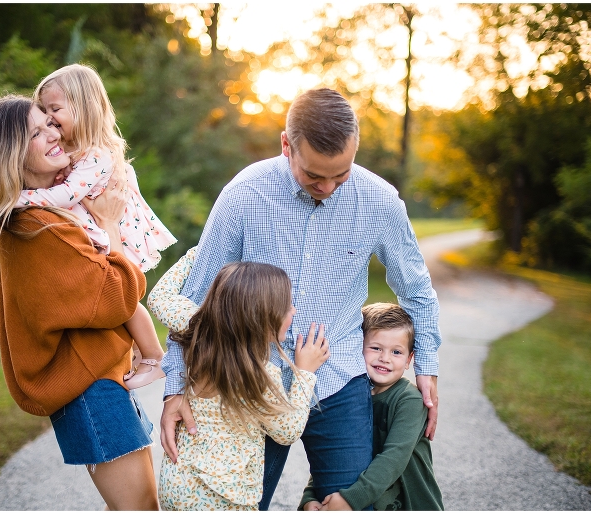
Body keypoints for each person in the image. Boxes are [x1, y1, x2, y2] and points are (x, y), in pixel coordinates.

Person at [160, 88, 442, 509]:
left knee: (349, 504)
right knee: (240, 505)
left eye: (341, 175)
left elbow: (416, 289)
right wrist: (174, 389)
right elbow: (197, 300)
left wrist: (428, 369)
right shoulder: (244, 196)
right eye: (314, 176)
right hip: (249, 383)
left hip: (338, 376)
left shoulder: (380, 202)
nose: (328, 187)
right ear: (286, 146)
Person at [0, 95, 158, 510]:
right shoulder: (36, 225)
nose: (54, 134)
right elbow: (117, 297)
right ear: (11, 154)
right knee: (139, 508)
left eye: (50, 124)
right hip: (91, 389)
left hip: (100, 380)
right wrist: (111, 223)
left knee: (143, 505)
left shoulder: (50, 212)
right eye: (36, 133)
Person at [15, 63, 176, 388]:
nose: (50, 118)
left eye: (55, 109)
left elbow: (67, 195)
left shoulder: (97, 156)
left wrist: (22, 197)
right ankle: (130, 353)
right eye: (45, 111)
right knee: (114, 303)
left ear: (84, 108)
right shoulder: (78, 154)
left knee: (126, 302)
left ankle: (155, 355)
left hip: (113, 238)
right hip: (99, 234)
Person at [149, 248, 330, 510]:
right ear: (263, 316)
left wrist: (199, 253)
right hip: (224, 497)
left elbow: (160, 298)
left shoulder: (198, 329)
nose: (295, 310)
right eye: (288, 305)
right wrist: (305, 372)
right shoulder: (258, 374)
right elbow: (287, 431)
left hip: (178, 484)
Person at [300, 303, 444, 511]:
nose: (385, 358)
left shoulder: (409, 400)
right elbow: (332, 456)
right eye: (376, 348)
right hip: (375, 500)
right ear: (357, 348)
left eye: (396, 352)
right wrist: (310, 497)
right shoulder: (349, 398)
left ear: (408, 360)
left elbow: (393, 458)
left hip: (410, 502)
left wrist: (350, 499)